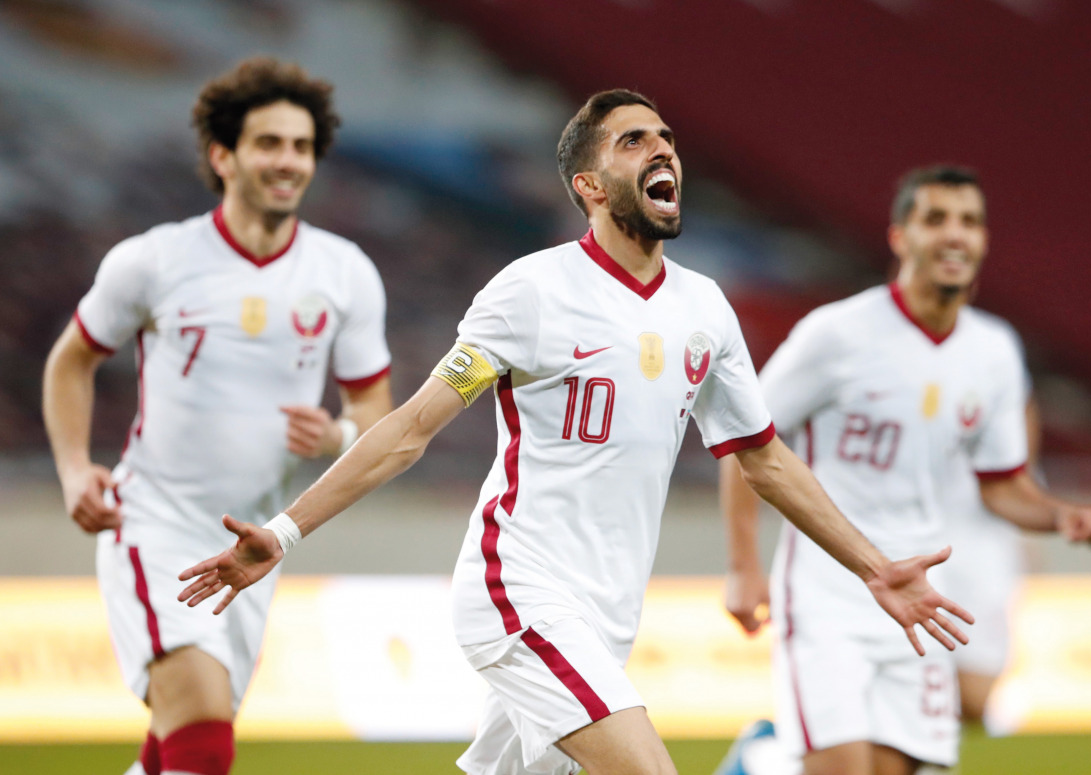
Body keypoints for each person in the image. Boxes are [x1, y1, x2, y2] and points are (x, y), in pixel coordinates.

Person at [176, 91, 970, 775]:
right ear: (589, 185)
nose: (662, 150)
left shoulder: (704, 309)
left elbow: (763, 458)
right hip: (518, 591)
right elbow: (412, 427)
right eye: (634, 141)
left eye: (666, 139)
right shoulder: (531, 292)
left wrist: (873, 567)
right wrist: (284, 532)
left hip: (607, 613)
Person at [42, 58, 393, 775]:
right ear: (223, 155)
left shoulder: (345, 272)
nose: (288, 161)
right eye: (269, 143)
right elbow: (69, 361)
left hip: (256, 547)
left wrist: (335, 434)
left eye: (301, 146)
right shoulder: (155, 260)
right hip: (155, 526)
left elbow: (375, 411)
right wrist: (75, 469)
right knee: (203, 744)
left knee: (174, 750)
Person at [716, 165, 1091, 775]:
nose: (955, 233)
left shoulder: (993, 352)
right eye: (936, 219)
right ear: (900, 237)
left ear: (982, 241)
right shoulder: (838, 335)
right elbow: (745, 440)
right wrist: (744, 567)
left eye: (969, 221)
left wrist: (1060, 516)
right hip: (828, 590)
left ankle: (769, 763)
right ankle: (767, 760)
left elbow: (1003, 486)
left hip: (922, 594)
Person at [941, 316, 1040, 730]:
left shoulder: (994, 344)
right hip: (911, 538)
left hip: (981, 539)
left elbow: (1024, 417)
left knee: (974, 698)